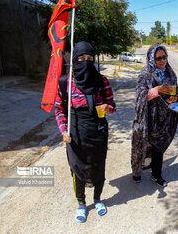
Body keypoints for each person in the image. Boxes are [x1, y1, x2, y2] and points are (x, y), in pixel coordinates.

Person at [54, 41, 116, 223]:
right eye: (81, 58)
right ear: (74, 59)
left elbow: (112, 105)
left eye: (90, 58)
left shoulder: (101, 80)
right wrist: (63, 130)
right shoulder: (66, 82)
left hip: (98, 132)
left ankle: (97, 199)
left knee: (98, 167)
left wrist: (107, 108)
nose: (86, 62)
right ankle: (81, 203)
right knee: (77, 170)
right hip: (75, 134)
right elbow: (59, 109)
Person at [131, 44, 178, 187]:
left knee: (158, 147)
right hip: (148, 117)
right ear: (152, 59)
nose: (162, 61)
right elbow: (140, 96)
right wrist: (156, 90)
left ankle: (156, 175)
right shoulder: (145, 74)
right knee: (141, 144)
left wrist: (176, 98)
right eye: (158, 58)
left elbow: (177, 91)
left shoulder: (170, 73)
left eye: (164, 57)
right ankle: (137, 172)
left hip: (164, 118)